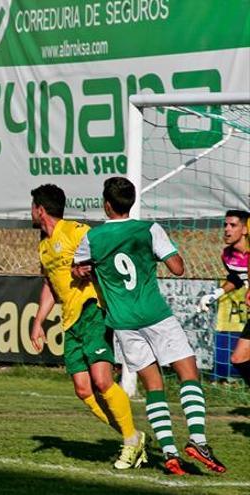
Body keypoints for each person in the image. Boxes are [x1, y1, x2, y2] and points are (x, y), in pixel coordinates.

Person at [73, 177, 227, 475]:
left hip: (123, 323)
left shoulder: (92, 238)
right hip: (155, 315)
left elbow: (78, 270)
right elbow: (178, 268)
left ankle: (169, 453)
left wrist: (85, 270)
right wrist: (155, 254)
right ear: (130, 202)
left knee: (153, 385)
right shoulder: (149, 229)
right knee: (188, 371)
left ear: (106, 204)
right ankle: (197, 440)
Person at [29, 184, 146, 470]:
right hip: (70, 321)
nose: (30, 211)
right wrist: (38, 321)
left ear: (40, 210)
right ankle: (132, 437)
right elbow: (50, 284)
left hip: (92, 309)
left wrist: (87, 267)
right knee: (83, 389)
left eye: (32, 207)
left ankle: (131, 442)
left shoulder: (75, 231)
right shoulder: (44, 247)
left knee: (103, 380)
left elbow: (102, 253)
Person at [197, 210, 249, 386]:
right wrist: (215, 294)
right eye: (225, 225)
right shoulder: (227, 256)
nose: (227, 229)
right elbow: (237, 278)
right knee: (238, 358)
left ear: (245, 229)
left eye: (233, 225)